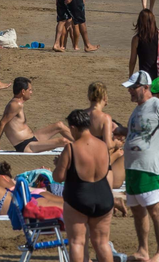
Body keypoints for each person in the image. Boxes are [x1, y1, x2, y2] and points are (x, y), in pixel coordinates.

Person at [117, 70, 159, 262]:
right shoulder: (137, 109)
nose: (130, 91)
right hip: (132, 167)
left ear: (146, 87)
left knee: (155, 209)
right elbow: (135, 132)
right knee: (137, 210)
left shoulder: (157, 105)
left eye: (133, 88)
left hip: (148, 168)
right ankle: (142, 250)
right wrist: (120, 130)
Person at [53, 109, 115, 262]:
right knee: (102, 243)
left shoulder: (72, 148)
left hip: (79, 197)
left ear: (73, 128)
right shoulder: (103, 145)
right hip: (103, 196)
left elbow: (59, 177)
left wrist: (58, 164)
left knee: (77, 242)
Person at [0, 77, 72, 153]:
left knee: (59, 125)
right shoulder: (15, 105)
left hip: (32, 139)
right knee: (63, 141)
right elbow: (2, 123)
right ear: (23, 91)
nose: (31, 92)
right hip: (26, 146)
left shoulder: (18, 104)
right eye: (29, 90)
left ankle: (83, 143)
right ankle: (81, 147)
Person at [128, 9, 159, 81]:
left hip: (145, 77)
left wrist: (130, 75)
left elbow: (133, 60)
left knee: (145, 92)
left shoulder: (136, 39)